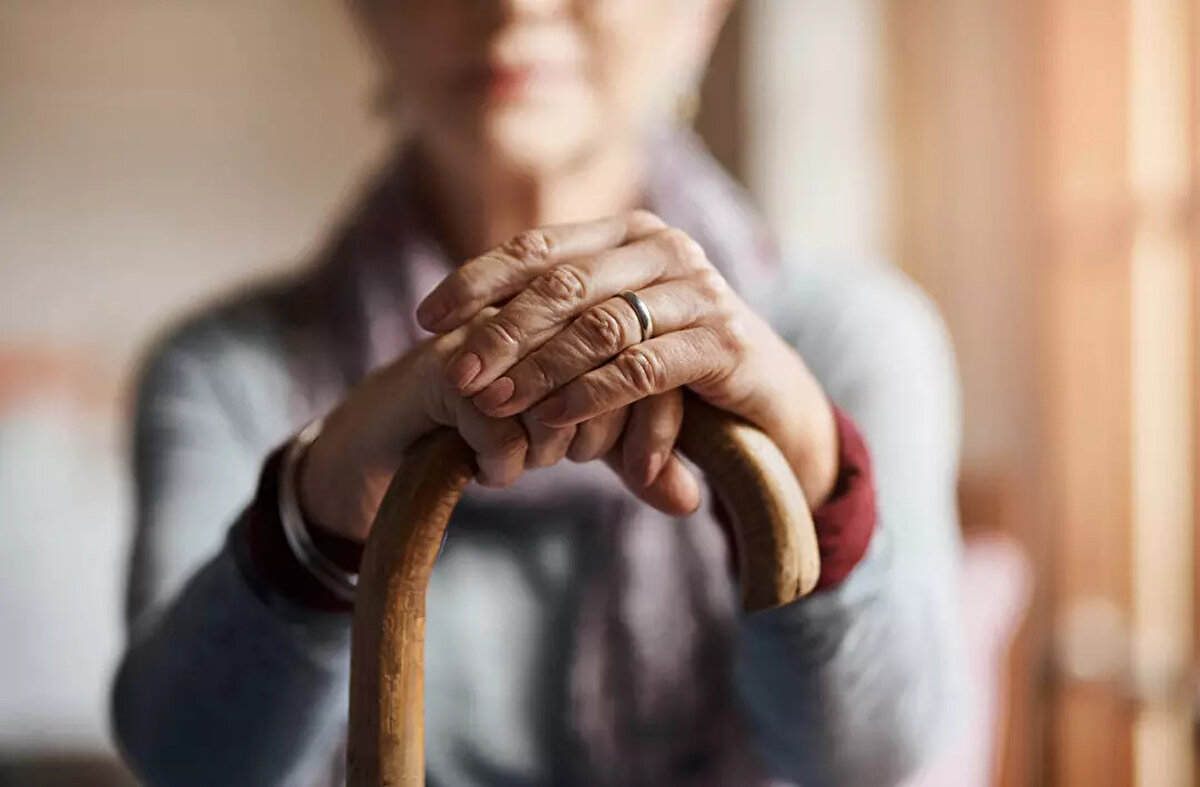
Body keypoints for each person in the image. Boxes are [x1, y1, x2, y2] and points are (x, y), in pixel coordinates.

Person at [111, 1, 967, 785]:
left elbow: (875, 761)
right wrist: (315, 508)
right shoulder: (226, 370)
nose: (513, 5)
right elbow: (187, 765)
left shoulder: (851, 341)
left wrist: (810, 476)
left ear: (702, 15)